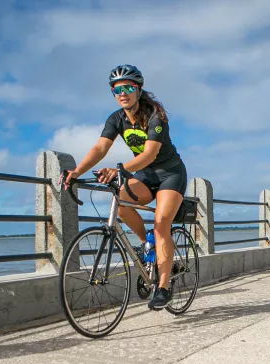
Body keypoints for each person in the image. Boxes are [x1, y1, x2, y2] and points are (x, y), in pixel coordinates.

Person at [61, 64, 187, 309]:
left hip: (170, 173)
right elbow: (99, 149)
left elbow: (150, 154)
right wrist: (76, 172)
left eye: (128, 88)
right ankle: (145, 244)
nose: (123, 93)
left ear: (138, 90)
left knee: (161, 224)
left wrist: (119, 169)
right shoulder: (116, 119)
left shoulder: (155, 115)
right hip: (145, 174)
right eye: (117, 90)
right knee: (121, 205)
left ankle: (163, 288)